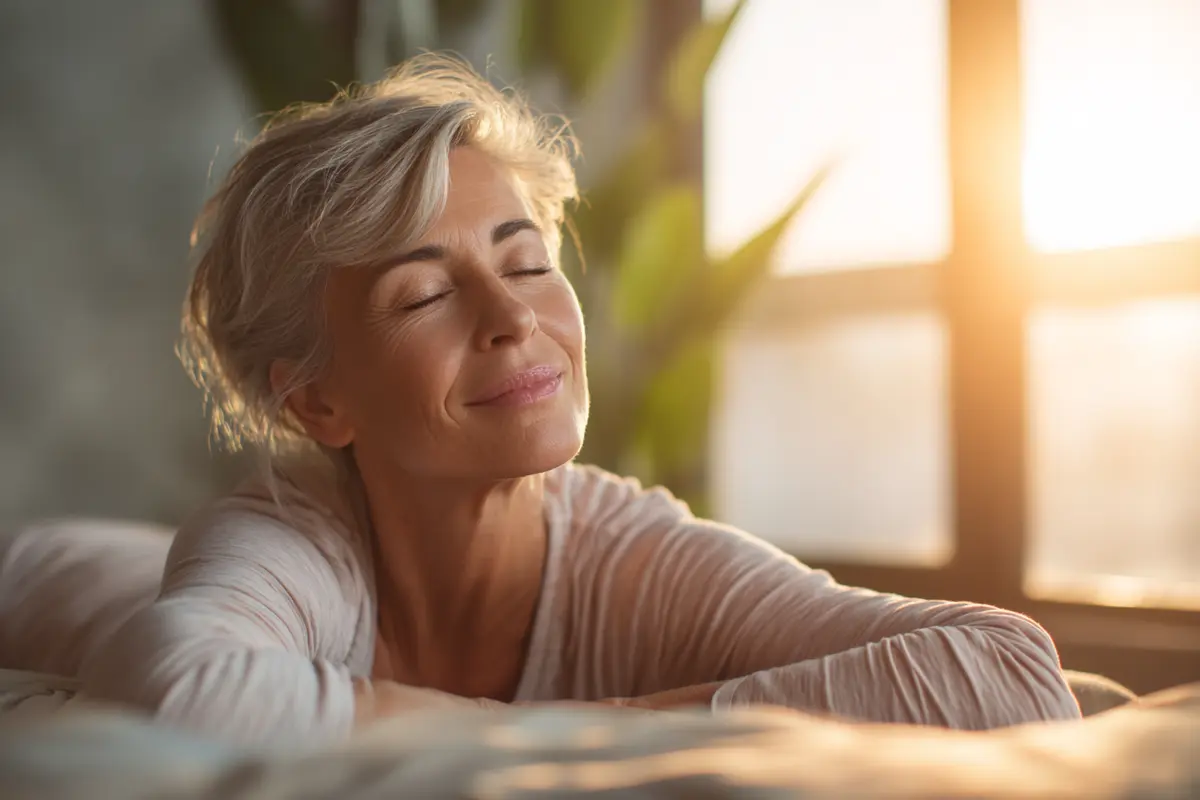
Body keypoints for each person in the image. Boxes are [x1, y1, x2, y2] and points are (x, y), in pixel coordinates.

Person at [70, 56, 1080, 746]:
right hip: (50, 572)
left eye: (527, 262)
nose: (511, 315)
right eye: (422, 293)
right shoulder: (291, 538)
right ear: (317, 401)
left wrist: (597, 724)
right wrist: (556, 737)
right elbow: (174, 689)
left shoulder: (632, 555)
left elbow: (1008, 670)